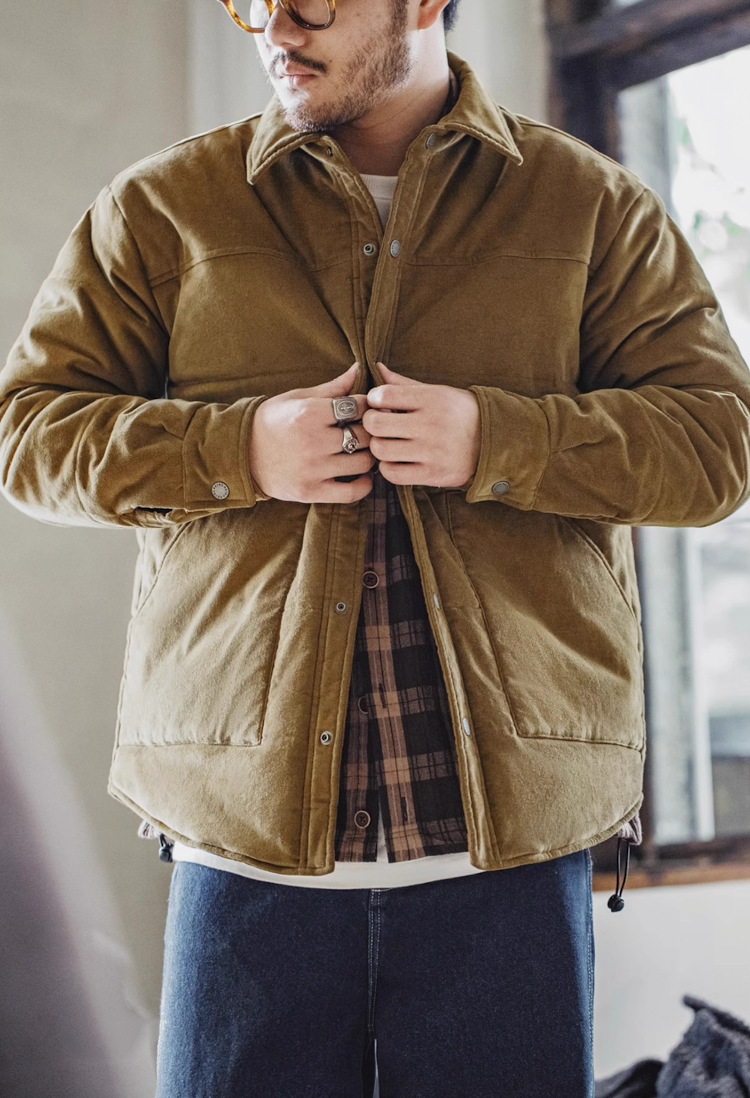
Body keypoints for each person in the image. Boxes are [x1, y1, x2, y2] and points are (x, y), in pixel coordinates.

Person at [2, 0, 749, 1094]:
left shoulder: (589, 205)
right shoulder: (164, 207)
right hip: (242, 855)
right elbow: (29, 437)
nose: (273, 27)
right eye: (247, 1)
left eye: (310, 0)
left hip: (508, 861)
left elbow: (716, 445)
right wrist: (239, 448)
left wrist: (500, 437)